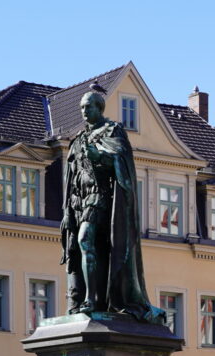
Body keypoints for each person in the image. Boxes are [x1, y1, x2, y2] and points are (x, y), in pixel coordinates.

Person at [60, 88, 163, 323]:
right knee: (78, 250)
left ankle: (92, 299)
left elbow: (121, 162)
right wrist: (67, 209)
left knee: (86, 239)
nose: (84, 111)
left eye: (89, 107)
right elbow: (71, 177)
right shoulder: (78, 140)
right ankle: (81, 299)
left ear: (99, 108)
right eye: (82, 108)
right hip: (78, 202)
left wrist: (101, 157)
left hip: (101, 196)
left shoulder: (112, 131)